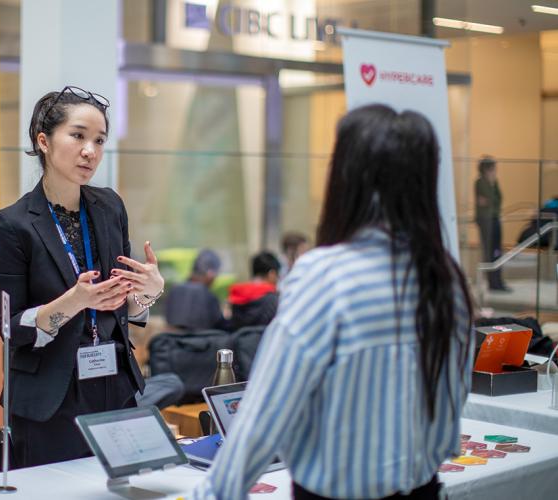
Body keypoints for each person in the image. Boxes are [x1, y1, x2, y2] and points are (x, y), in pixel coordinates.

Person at [192, 104, 473, 499]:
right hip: (423, 488)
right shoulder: (445, 277)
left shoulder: (325, 275)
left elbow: (265, 413)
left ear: (346, 178)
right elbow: (452, 398)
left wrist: (216, 492)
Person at [0, 86, 164, 467]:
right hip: (50, 399)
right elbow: (10, 329)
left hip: (115, 386)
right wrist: (74, 301)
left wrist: (149, 291)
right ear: (43, 141)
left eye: (99, 140)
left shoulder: (109, 206)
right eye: (78, 136)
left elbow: (124, 306)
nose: (91, 151)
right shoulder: (12, 225)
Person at [165, 249, 228, 331]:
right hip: (202, 342)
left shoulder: (174, 290)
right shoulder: (208, 295)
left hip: (173, 342)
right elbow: (220, 326)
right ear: (210, 274)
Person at [475, 155, 509, 291]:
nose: (495, 171)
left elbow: (498, 199)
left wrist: (493, 184)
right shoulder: (480, 182)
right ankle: (492, 283)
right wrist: (490, 185)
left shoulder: (494, 182)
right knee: (489, 252)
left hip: (495, 219)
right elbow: (487, 199)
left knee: (497, 251)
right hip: (485, 220)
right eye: (493, 168)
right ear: (486, 169)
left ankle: (498, 281)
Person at [227, 251, 280, 331]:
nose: (278, 279)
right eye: (277, 275)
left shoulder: (237, 297)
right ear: (271, 274)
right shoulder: (272, 299)